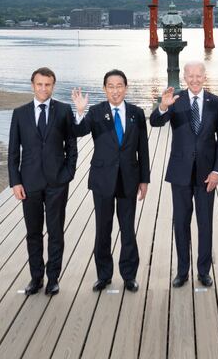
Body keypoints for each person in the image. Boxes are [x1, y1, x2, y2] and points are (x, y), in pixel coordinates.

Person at [150, 61, 218, 288]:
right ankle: (182, 271)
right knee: (181, 223)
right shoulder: (175, 100)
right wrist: (163, 107)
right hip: (180, 173)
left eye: (198, 75)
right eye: (190, 75)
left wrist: (217, 171)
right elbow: (156, 122)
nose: (194, 79)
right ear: (184, 77)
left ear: (205, 77)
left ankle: (203, 271)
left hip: (207, 175)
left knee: (205, 223)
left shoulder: (217, 103)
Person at [71, 70, 149, 293]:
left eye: (119, 86)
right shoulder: (95, 112)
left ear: (126, 87)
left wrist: (144, 180)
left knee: (127, 229)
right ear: (104, 89)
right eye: (111, 86)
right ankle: (103, 275)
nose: (115, 90)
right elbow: (79, 131)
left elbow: (142, 149)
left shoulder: (136, 113)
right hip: (103, 180)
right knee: (103, 229)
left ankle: (129, 275)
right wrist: (79, 111)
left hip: (129, 179)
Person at [8, 67, 78, 296]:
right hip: (29, 183)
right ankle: (36, 277)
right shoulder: (20, 113)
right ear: (32, 85)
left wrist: (68, 173)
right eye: (39, 84)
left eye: (47, 85)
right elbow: (12, 153)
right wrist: (15, 182)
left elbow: (72, 145)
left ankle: (53, 278)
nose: (43, 88)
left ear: (53, 86)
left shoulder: (64, 111)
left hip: (58, 182)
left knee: (56, 231)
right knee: (33, 232)